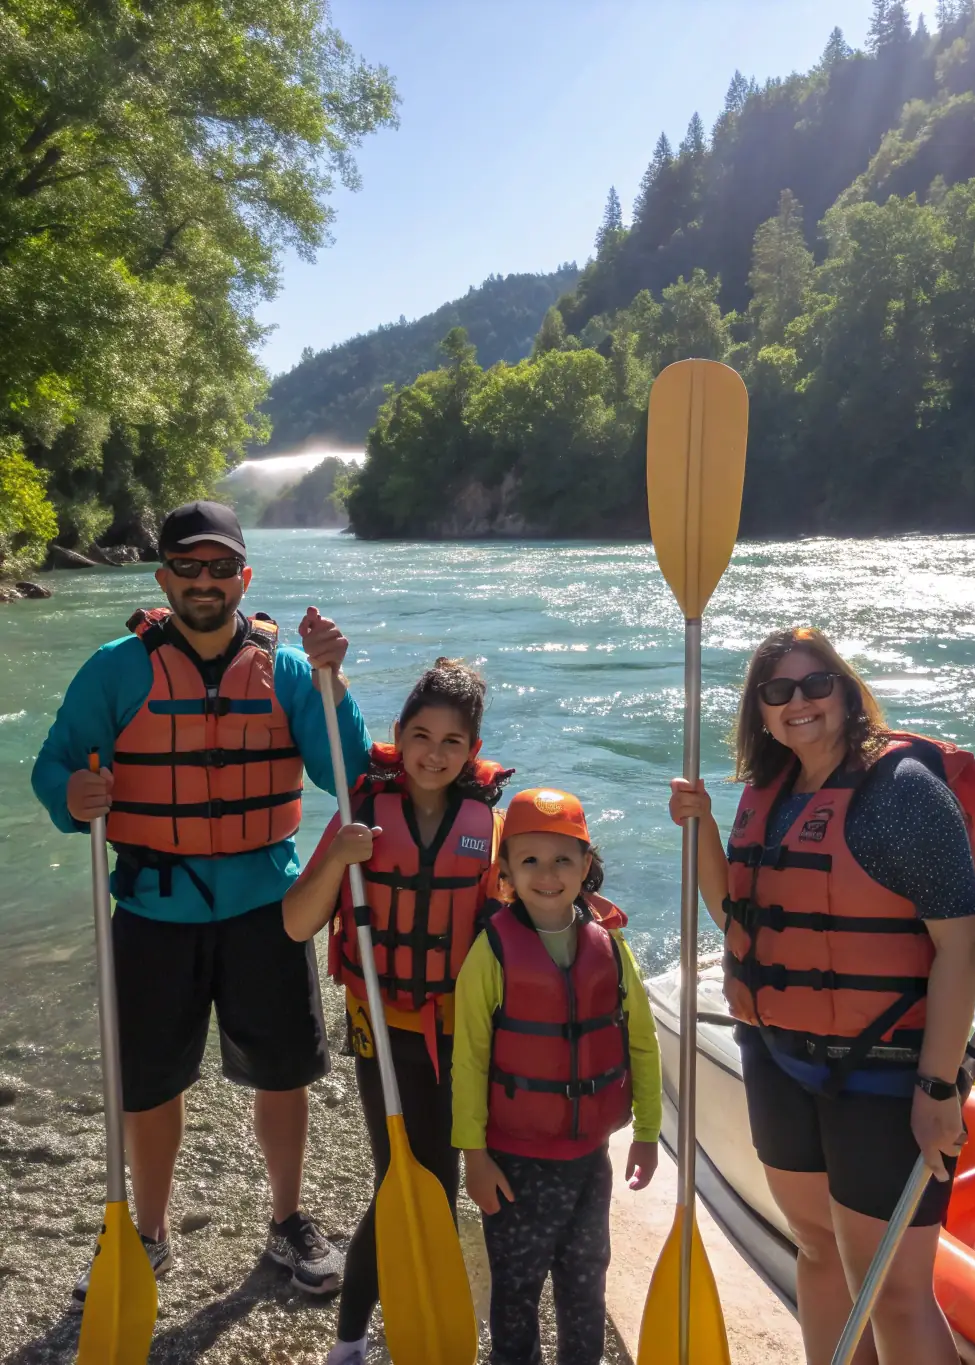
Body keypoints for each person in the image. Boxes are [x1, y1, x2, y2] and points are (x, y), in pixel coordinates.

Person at [31, 500, 372, 1307]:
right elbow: (52, 769)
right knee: (150, 1085)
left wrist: (335, 680)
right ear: (164, 577)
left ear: (243, 577)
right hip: (154, 909)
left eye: (221, 567)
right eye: (188, 566)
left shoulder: (288, 671)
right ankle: (146, 1235)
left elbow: (348, 772)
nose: (205, 581)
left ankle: (287, 1220)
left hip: (267, 909)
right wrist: (71, 794)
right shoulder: (115, 668)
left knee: (283, 1075)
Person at [668, 626, 975, 1365]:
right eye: (776, 691)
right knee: (815, 1247)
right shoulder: (770, 792)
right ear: (761, 710)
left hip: (881, 1069)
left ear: (845, 689)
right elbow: (735, 913)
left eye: (816, 684)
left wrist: (939, 1086)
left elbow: (963, 944)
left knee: (896, 1290)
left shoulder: (901, 791)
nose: (799, 702)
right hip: (779, 1056)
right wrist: (706, 825)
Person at [282, 658, 512, 1365]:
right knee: (403, 1178)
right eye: (420, 735)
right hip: (381, 1027)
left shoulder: (491, 830)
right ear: (398, 735)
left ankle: (413, 1321)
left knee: (438, 1182)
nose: (433, 753)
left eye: (451, 741)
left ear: (472, 752)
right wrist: (335, 860)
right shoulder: (362, 815)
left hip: (461, 1035)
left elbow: (515, 929)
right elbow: (296, 923)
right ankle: (351, 1340)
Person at [453, 787, 662, 1365]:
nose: (548, 875)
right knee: (516, 1291)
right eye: (530, 861)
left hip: (590, 1162)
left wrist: (647, 1129)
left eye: (563, 859)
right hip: (514, 1163)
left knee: (586, 1282)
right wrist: (473, 1153)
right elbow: (468, 1058)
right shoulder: (491, 953)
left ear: (587, 866)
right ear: (505, 875)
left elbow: (641, 1043)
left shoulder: (611, 948)